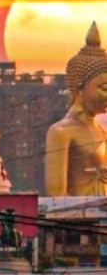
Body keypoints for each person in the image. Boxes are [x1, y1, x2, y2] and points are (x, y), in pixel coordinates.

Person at [45, 22, 107, 196]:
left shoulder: (102, 130)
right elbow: (55, 197)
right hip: (75, 219)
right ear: (80, 88)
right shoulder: (61, 132)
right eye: (104, 88)